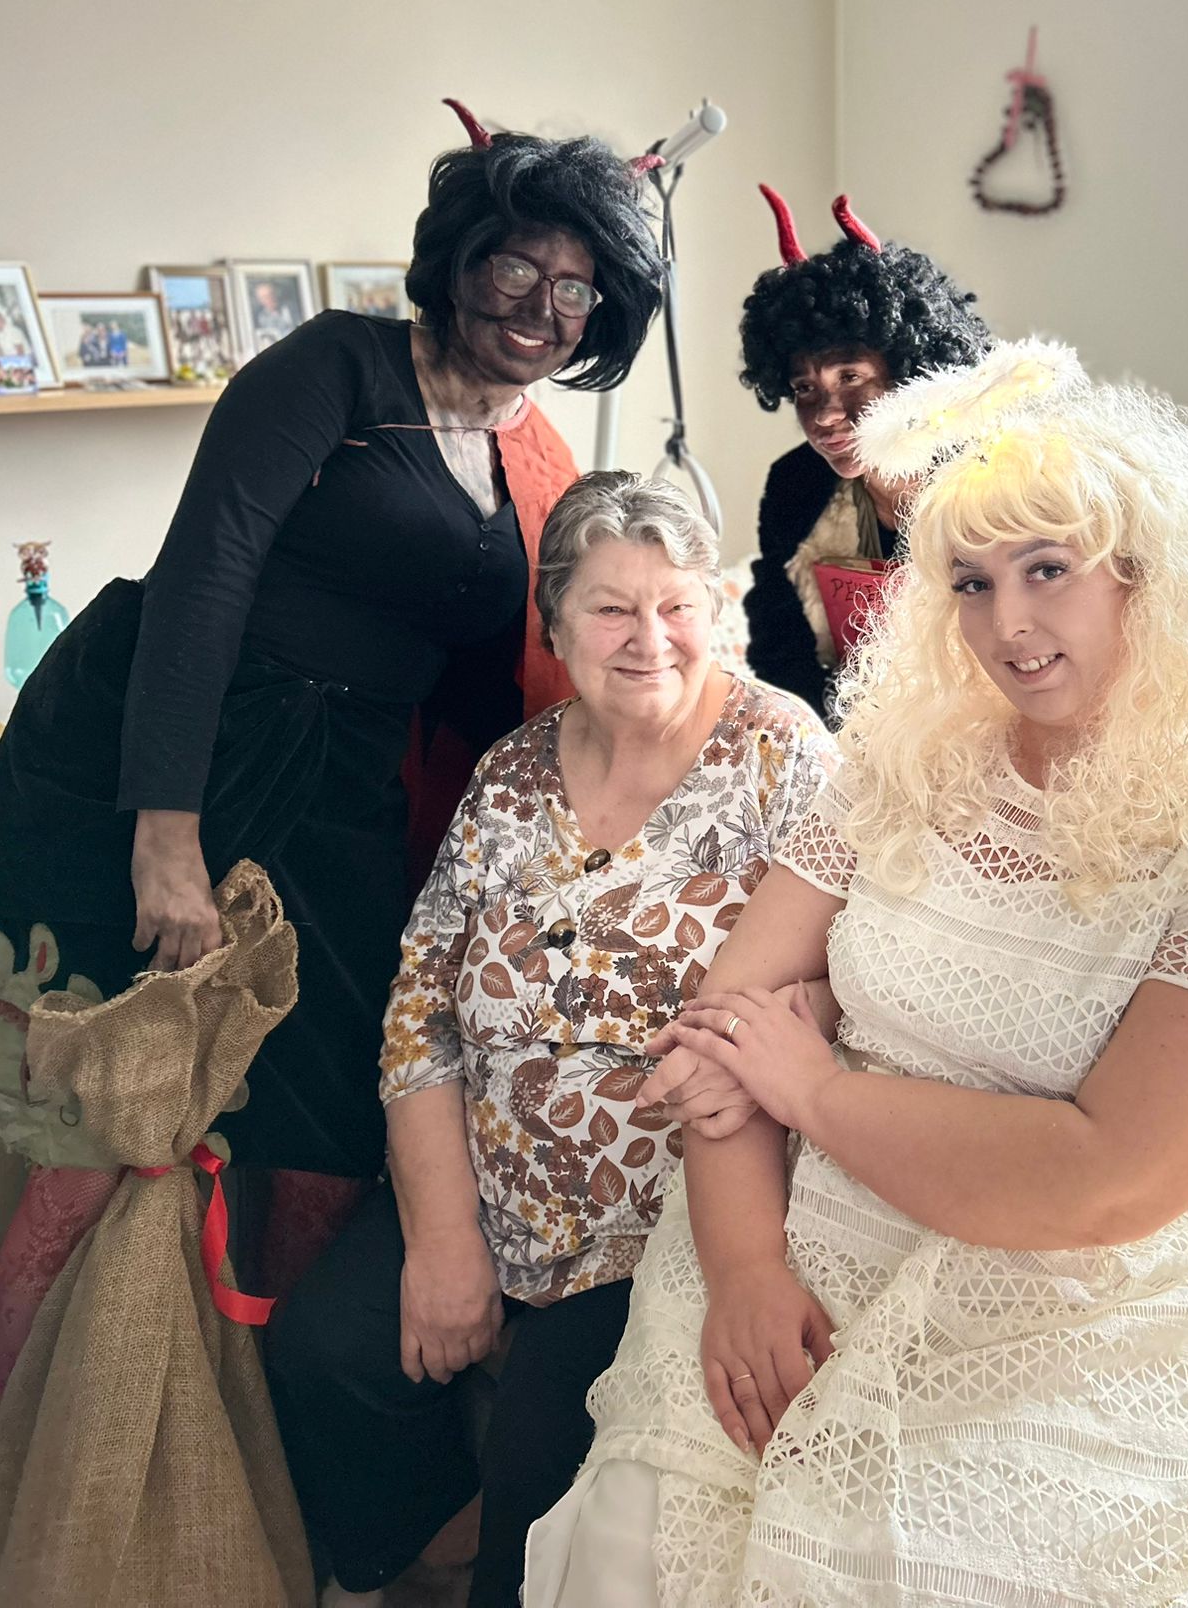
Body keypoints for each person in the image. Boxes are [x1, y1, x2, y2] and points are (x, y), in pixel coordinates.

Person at [527, 340, 1188, 1608]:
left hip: (1076, 1312)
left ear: (1143, 576)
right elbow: (722, 1027)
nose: (1007, 622)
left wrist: (813, 1082)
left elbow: (1103, 1174)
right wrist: (743, 1269)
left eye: (1047, 569)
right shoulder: (900, 761)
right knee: (638, 1537)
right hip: (802, 1237)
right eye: (970, 581)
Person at [0, 104, 663, 1430]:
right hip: (192, 751)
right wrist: (164, 835)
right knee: (107, 1135)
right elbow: (201, 581)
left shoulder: (525, 451)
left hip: (345, 790)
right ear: (458, 260)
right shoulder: (336, 368)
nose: (540, 307)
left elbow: (495, 678)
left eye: (576, 287)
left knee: (330, 1132)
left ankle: (260, 1448)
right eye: (514, 267)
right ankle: (17, 1450)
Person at [266, 471, 837, 1608]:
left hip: (659, 1222)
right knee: (321, 1354)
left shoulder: (785, 756)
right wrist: (444, 1238)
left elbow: (852, 976)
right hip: (487, 1183)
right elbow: (422, 1007)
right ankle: (429, 1542)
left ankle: (487, 1556)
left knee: (540, 1486)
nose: (649, 638)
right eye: (611, 608)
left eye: (676, 605)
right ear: (556, 624)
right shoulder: (512, 773)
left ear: (718, 609)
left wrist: (787, 1021)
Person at [739, 185, 991, 718]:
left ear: (910, 371)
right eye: (804, 388)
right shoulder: (794, 485)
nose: (825, 414)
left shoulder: (993, 475)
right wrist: (835, 739)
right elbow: (780, 647)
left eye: (850, 377)